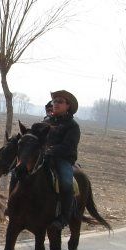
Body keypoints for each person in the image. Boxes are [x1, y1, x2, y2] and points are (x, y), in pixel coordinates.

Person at [44, 90, 80, 230]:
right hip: (44, 157)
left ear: (68, 106)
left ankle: (64, 217)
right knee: (18, 171)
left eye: (60, 101)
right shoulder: (45, 121)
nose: (56, 104)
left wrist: (50, 151)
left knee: (66, 181)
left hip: (62, 159)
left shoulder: (72, 126)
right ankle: (13, 206)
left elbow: (68, 146)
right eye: (55, 101)